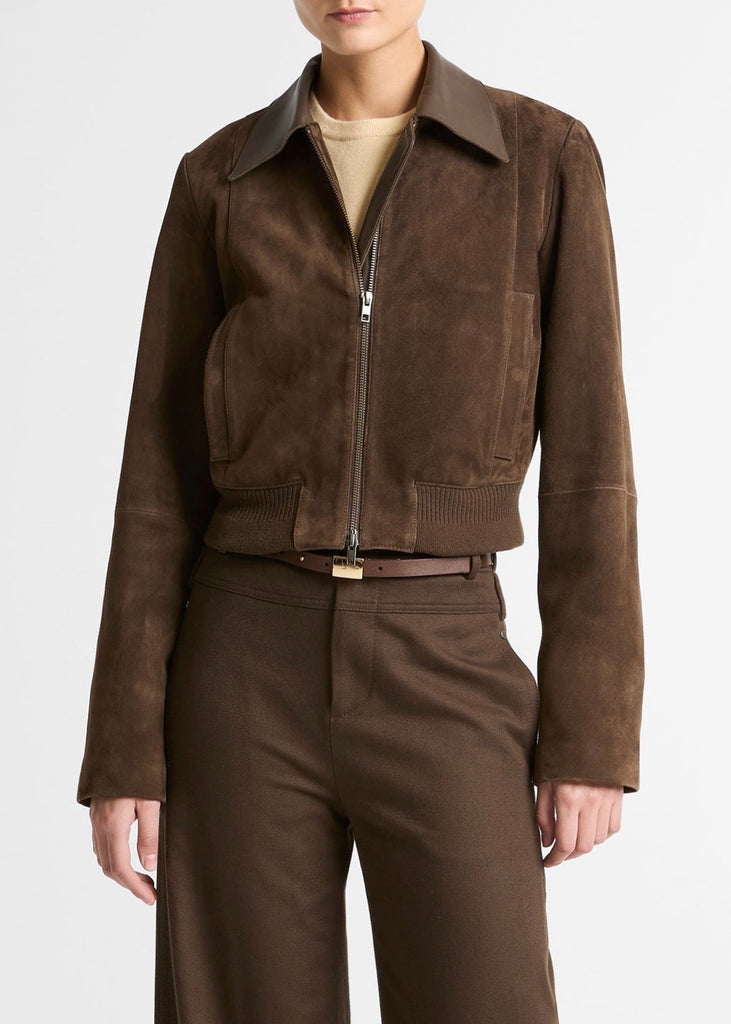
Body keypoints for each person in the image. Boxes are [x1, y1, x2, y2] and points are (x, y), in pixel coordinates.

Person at [76, 2, 645, 1021]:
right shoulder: (221, 177)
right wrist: (123, 747)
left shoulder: (540, 159)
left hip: (447, 653)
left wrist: (591, 736)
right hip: (243, 664)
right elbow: (156, 480)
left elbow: (590, 464)